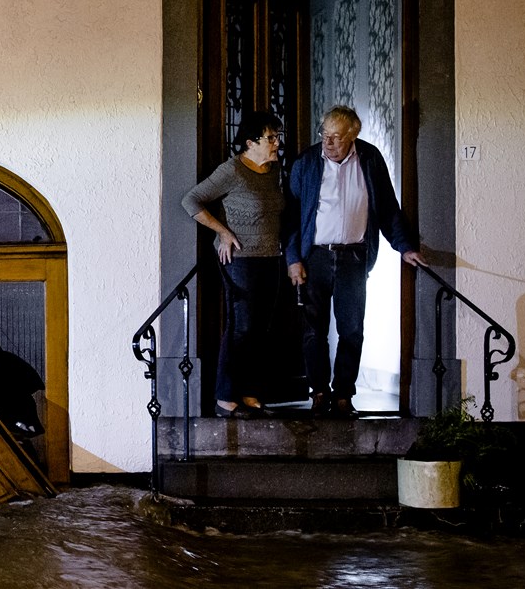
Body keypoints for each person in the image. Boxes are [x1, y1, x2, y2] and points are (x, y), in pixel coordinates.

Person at [285, 106, 426, 418]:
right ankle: (319, 393)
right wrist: (293, 259)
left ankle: (344, 395)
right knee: (313, 331)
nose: (329, 143)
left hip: (354, 256)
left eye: (337, 137)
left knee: (352, 329)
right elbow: (291, 217)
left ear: (353, 137)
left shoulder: (370, 159)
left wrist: (404, 247)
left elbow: (388, 208)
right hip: (315, 257)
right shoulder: (306, 163)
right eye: (325, 135)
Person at [182, 111, 286, 418]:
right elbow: (191, 200)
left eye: (277, 137)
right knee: (241, 328)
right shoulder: (233, 170)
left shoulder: (273, 170)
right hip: (241, 260)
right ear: (250, 142)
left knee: (261, 329)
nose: (276, 143)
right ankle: (226, 397)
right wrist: (223, 232)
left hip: (271, 257)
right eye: (271, 138)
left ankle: (250, 392)